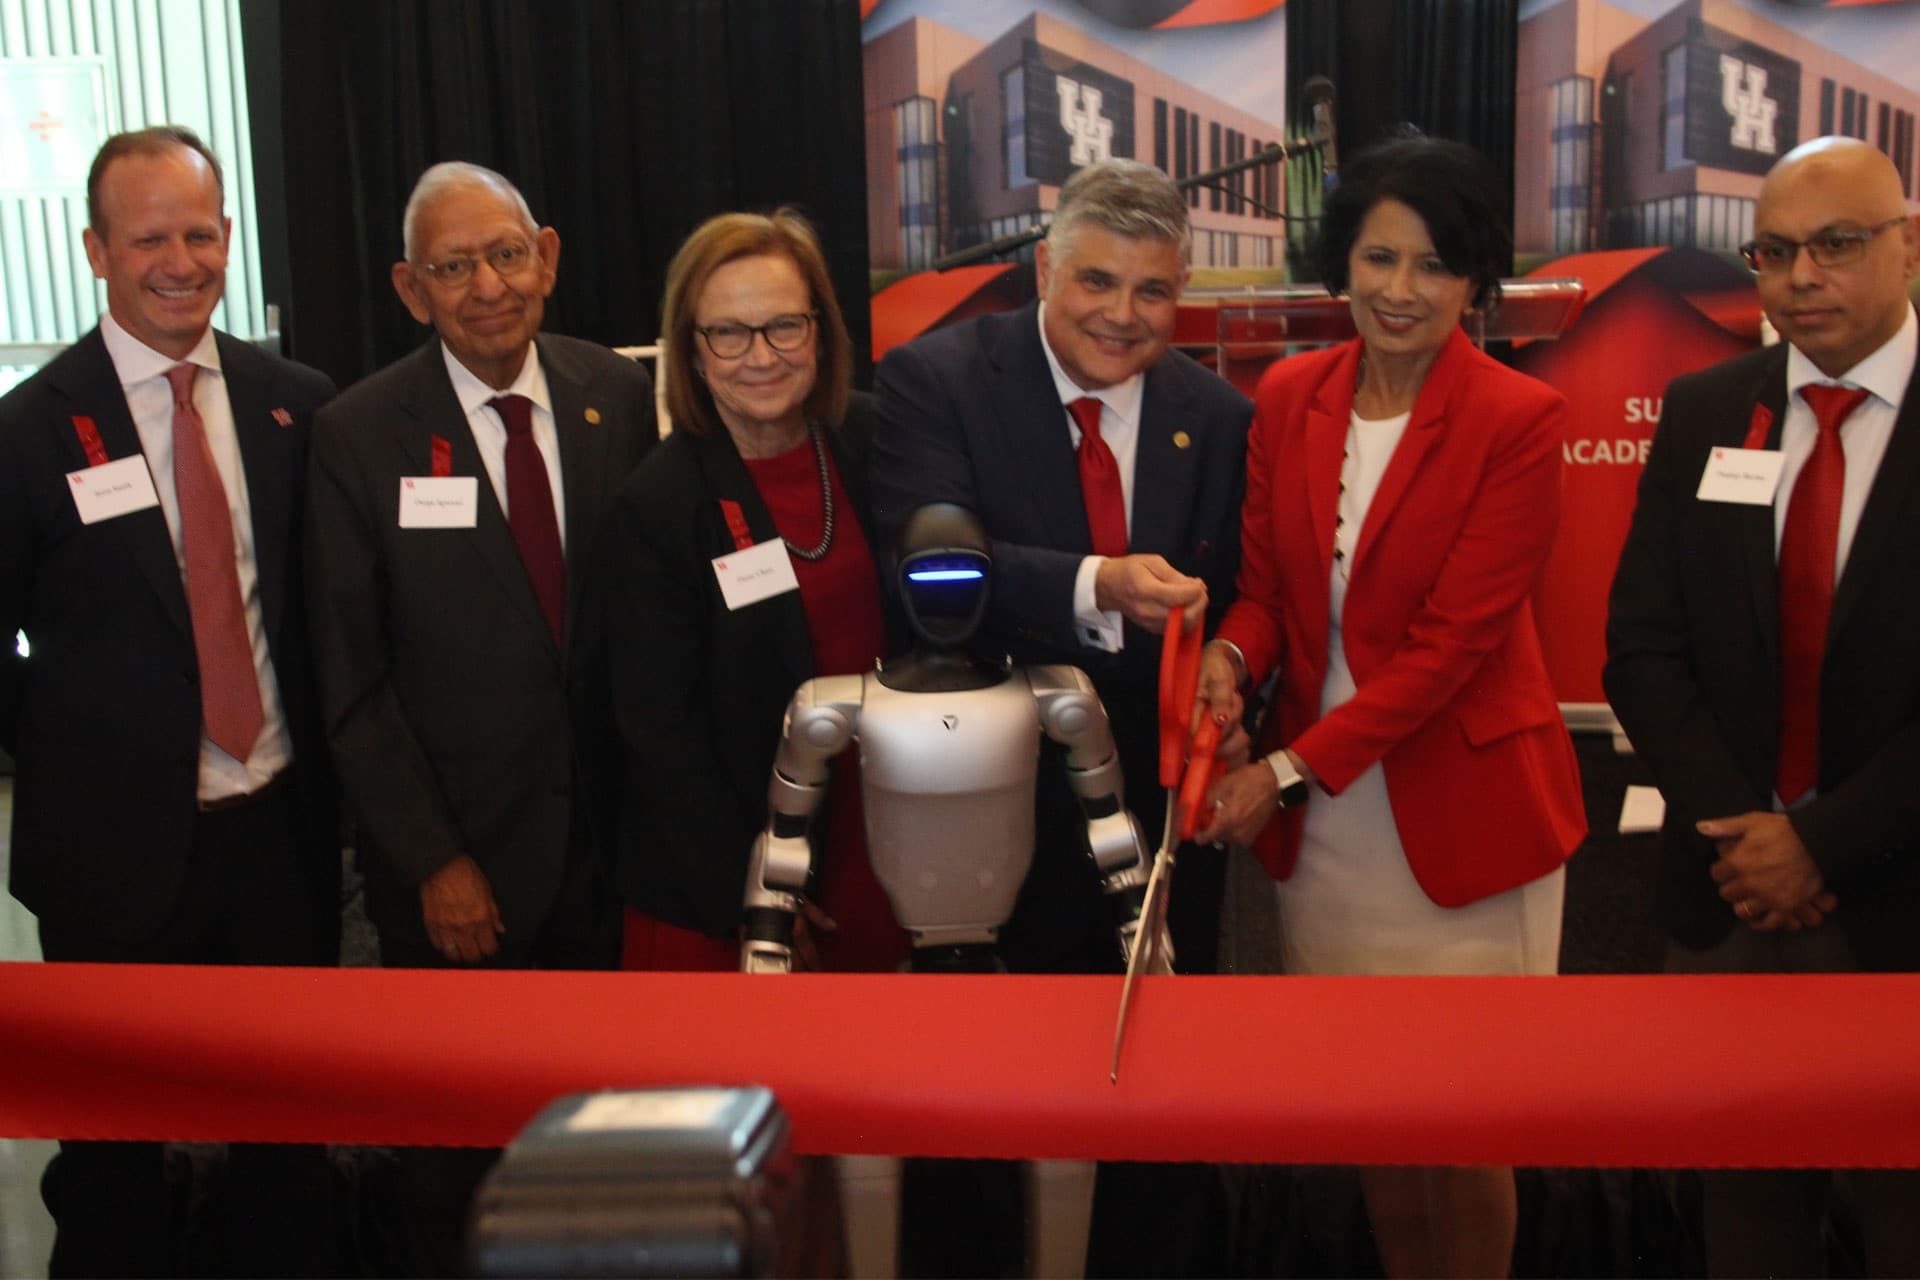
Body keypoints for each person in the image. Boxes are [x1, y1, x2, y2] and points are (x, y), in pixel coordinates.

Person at [1192, 134, 1585, 1280]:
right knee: (1371, 1108)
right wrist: (1226, 650)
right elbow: (1268, 591)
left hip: (1462, 822)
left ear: (1473, 283)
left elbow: (1450, 649)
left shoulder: (1522, 417)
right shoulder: (1290, 394)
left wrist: (1280, 769)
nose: (1400, 291)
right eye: (1377, 257)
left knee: (1465, 1129)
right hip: (1331, 839)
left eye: (1432, 265)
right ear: (1341, 262)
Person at [870, 156, 1250, 1278]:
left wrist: (1229, 664)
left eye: (1154, 293)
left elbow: (1240, 590)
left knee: (1160, 1084)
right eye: (1096, 282)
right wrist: (1099, 583)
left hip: (1166, 815)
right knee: (997, 1088)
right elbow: (930, 573)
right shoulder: (933, 378)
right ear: (1044, 266)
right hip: (992, 814)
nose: (1123, 317)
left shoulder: (1219, 413)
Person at [303, 161, 655, 1276]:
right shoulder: (359, 434)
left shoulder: (620, 396)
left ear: (546, 255)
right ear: (413, 290)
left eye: (506, 255)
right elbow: (348, 682)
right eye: (454, 267)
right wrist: (433, 861)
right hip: (461, 878)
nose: (488, 286)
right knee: (458, 1167)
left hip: (612, 865)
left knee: (608, 1151)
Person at [0, 126, 339, 1277]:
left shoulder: (298, 407)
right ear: (96, 249)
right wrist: (63, 756)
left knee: (289, 1147)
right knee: (111, 1167)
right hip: (112, 861)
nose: (178, 260)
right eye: (149, 236)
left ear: (229, 239)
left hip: (278, 845)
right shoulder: (29, 430)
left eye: (200, 232)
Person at [1604, 135, 1920, 1277]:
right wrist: (1750, 833)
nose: (1801, 277)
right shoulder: (1705, 409)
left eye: (1836, 245)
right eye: (1775, 251)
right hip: (1728, 894)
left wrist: (1818, 842)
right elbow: (1641, 649)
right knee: (1746, 1218)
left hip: (1901, 902)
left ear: (1908, 245)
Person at [584, 209, 906, 974]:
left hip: (879, 828)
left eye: (783, 327)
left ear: (820, 331)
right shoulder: (658, 506)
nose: (759, 356)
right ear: (693, 353)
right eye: (728, 333)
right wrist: (757, 882)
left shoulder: (875, 441)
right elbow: (660, 733)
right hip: (729, 859)